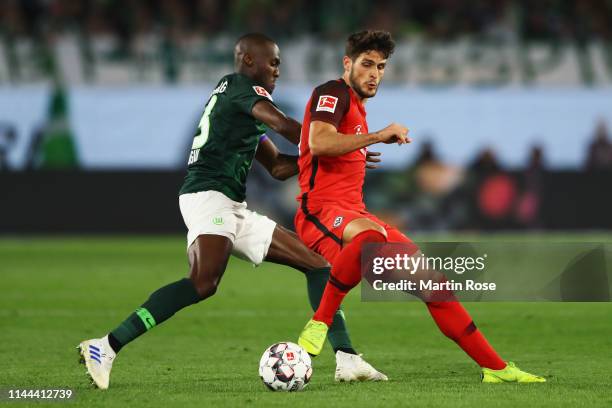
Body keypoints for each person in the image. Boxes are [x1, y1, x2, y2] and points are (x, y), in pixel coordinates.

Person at [77, 33, 386, 390]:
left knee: (319, 266)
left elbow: (280, 168)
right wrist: (335, 144)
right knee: (203, 282)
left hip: (232, 206)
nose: (278, 70)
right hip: (207, 196)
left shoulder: (242, 112)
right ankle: (105, 346)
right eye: (272, 62)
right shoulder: (238, 87)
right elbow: (285, 126)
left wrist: (336, 156)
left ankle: (346, 357)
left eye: (280, 63)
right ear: (248, 61)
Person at [295, 30, 545, 383]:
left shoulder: (358, 108)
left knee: (434, 285)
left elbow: (327, 147)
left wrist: (357, 150)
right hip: (319, 212)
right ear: (347, 63)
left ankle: (496, 368)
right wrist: (376, 136)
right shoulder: (332, 92)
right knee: (370, 238)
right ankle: (319, 322)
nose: (374, 74)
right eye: (366, 64)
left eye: (381, 67)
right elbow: (318, 142)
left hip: (354, 211)